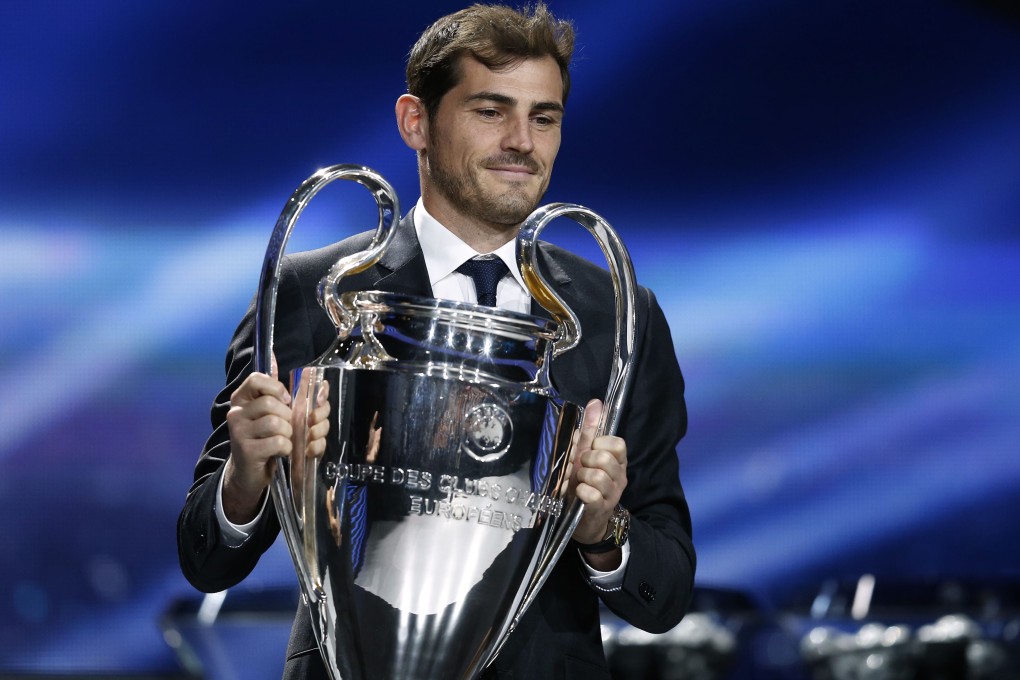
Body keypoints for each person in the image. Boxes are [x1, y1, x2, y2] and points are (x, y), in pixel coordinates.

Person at [177, 4, 696, 679]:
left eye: (544, 118)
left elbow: (667, 592)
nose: (522, 141)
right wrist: (246, 478)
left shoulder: (618, 314)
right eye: (491, 111)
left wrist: (602, 529)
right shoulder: (311, 293)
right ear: (415, 122)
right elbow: (208, 557)